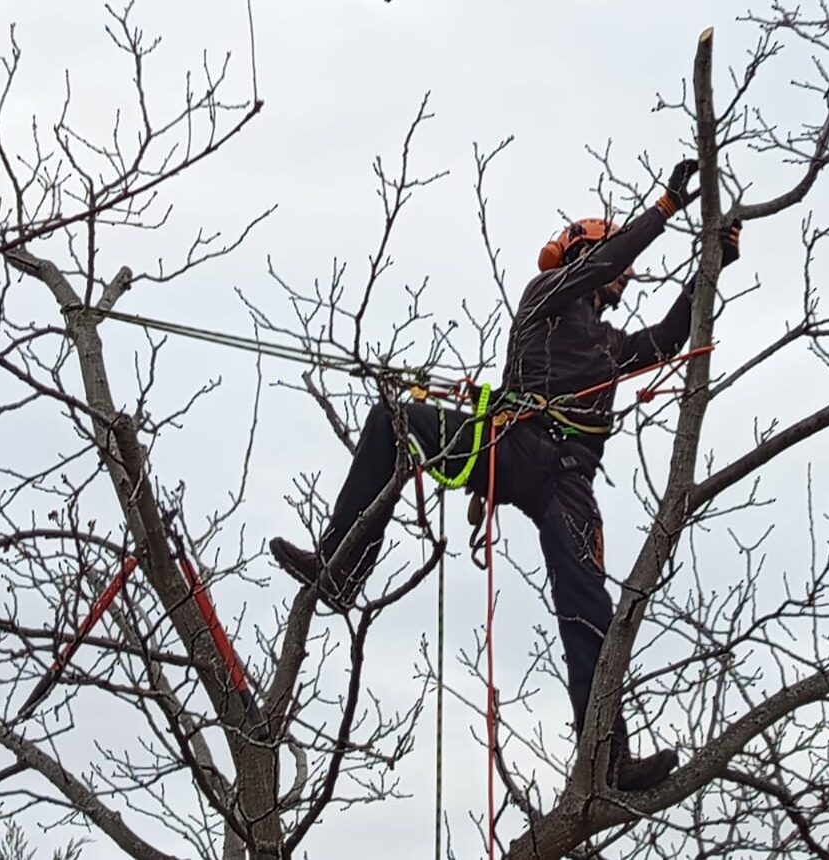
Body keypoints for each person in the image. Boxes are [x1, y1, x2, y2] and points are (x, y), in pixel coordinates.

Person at [271, 157, 741, 791]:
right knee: (393, 421)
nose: (620, 276)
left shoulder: (606, 345)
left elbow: (665, 339)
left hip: (567, 479)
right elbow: (604, 263)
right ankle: (341, 568)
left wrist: (712, 267)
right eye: (610, 262)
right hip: (512, 445)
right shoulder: (544, 295)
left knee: (587, 608)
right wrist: (662, 210)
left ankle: (606, 756)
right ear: (582, 257)